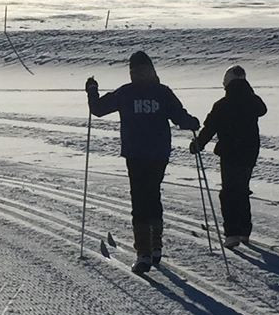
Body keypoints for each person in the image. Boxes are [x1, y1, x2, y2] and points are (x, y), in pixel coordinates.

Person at [86, 50, 200, 273]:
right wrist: (192, 122)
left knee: (140, 200)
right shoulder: (162, 92)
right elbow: (180, 117)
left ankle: (144, 254)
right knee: (153, 195)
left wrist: (92, 91)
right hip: (158, 153)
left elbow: (97, 109)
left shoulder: (127, 93)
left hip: (137, 153)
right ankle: (154, 248)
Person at [188, 64, 267, 247]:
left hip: (230, 153)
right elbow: (261, 109)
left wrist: (198, 145)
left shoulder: (222, 105)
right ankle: (244, 231)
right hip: (249, 152)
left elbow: (209, 128)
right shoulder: (253, 101)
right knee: (242, 190)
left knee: (229, 192)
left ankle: (232, 233)